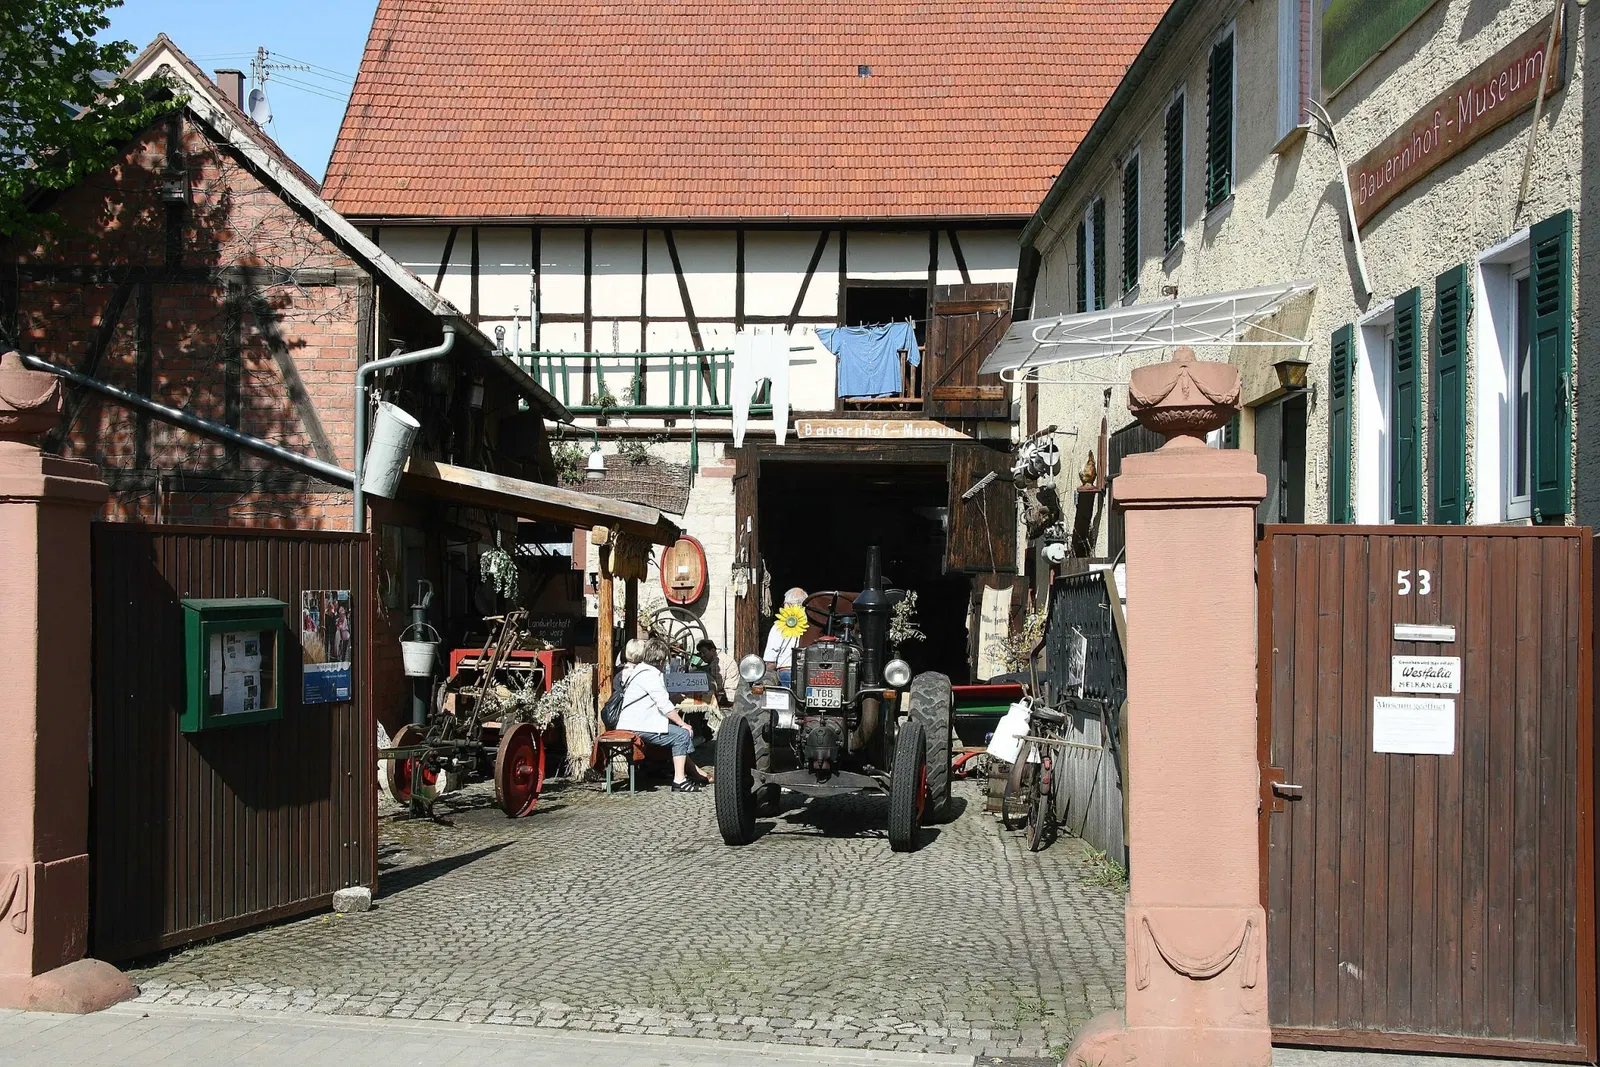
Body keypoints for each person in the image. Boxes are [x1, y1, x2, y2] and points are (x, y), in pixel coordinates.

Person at [615, 637, 712, 792]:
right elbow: (664, 706)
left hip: (635, 722)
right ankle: (680, 779)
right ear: (661, 660)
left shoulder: (641, 671)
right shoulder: (651, 675)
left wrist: (673, 699)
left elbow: (656, 700)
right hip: (638, 725)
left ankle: (693, 772)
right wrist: (683, 723)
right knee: (681, 734)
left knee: (678, 732)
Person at [763, 587, 808, 686]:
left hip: (786, 673)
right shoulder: (813, 625)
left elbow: (770, 661)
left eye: (784, 604)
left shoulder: (780, 625)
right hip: (811, 674)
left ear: (789, 605)